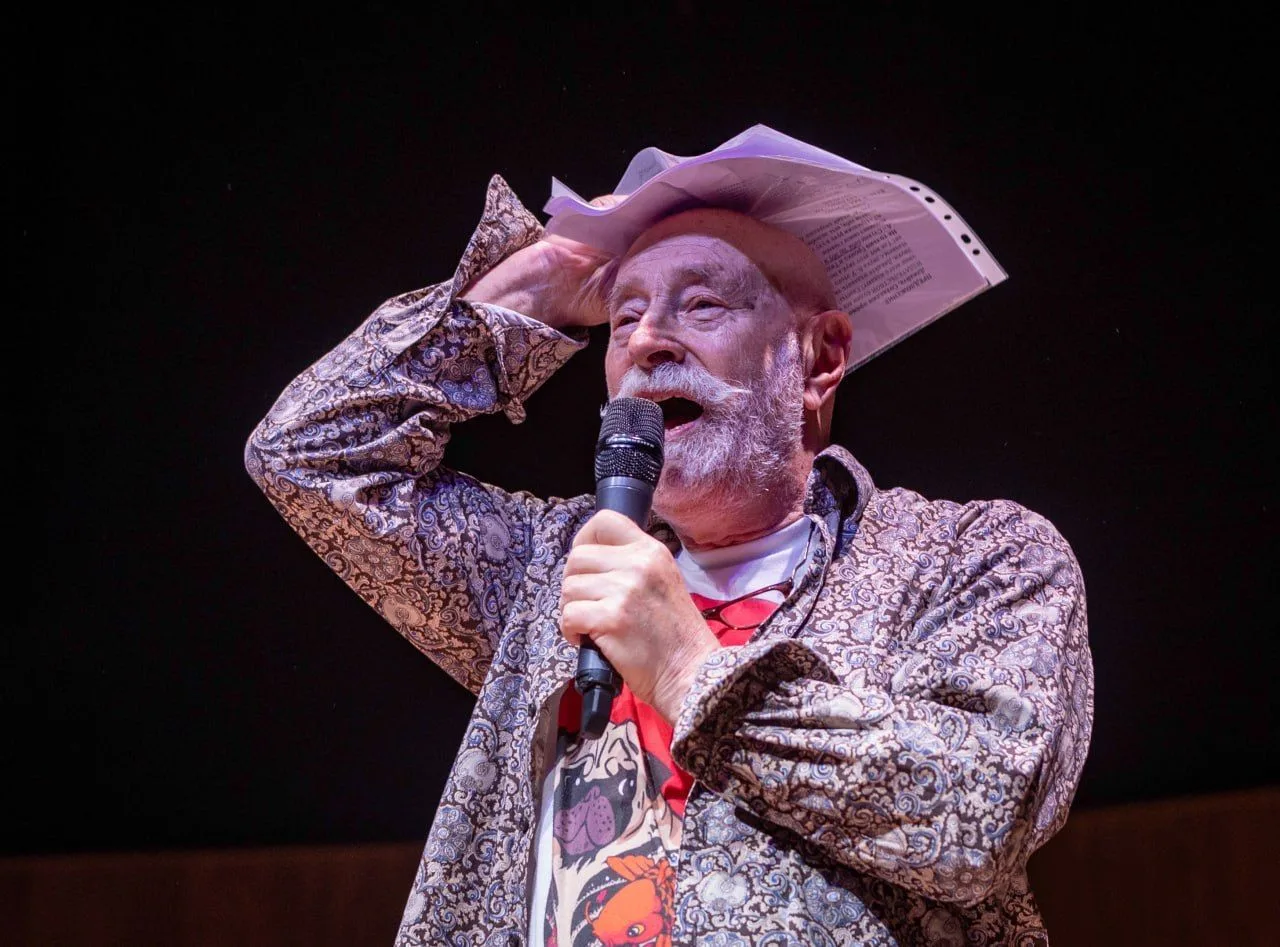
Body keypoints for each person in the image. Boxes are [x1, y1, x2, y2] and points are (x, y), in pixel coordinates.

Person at [246, 136, 1093, 945]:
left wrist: (690, 671)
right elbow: (309, 455)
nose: (648, 340)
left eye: (701, 304)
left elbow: (985, 813)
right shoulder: (553, 569)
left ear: (821, 357)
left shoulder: (972, 558)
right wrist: (534, 289)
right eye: (625, 318)